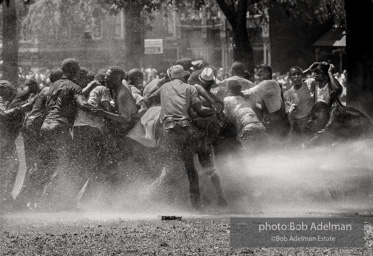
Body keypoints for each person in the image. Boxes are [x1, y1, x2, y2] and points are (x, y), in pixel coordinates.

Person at [148, 65, 215, 209]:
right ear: (184, 76)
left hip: (168, 131)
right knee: (190, 168)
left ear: (170, 76)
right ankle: (197, 204)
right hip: (185, 129)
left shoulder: (164, 87)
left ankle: (158, 201)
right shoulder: (190, 88)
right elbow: (200, 111)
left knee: (167, 166)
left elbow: (147, 100)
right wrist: (214, 110)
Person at [38, 58, 95, 210]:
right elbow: (83, 104)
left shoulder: (52, 86)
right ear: (74, 71)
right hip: (60, 127)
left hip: (45, 126)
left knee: (52, 164)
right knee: (67, 165)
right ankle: (55, 202)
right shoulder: (74, 86)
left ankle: (43, 201)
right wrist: (100, 112)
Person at [189, 67, 228, 207]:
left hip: (192, 136)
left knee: (192, 168)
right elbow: (221, 118)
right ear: (211, 83)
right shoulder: (215, 100)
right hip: (206, 139)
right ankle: (220, 196)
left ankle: (202, 197)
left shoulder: (193, 93)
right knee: (209, 168)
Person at [244, 64, 289, 140]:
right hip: (276, 121)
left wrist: (234, 91)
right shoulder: (271, 84)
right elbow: (259, 104)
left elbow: (247, 93)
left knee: (276, 145)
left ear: (268, 73)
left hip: (276, 122)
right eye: (258, 73)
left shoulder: (268, 83)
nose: (258, 75)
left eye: (261, 73)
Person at [223, 80, 267, 151]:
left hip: (248, 128)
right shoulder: (245, 98)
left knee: (249, 157)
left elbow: (225, 116)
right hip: (260, 126)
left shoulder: (227, 100)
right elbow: (258, 106)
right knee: (263, 154)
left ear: (229, 91)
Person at [303, 62, 343, 133]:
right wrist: (309, 70)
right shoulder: (313, 83)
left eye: (318, 72)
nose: (315, 74)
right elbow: (296, 82)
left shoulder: (331, 85)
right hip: (315, 118)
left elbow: (338, 89)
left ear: (326, 75)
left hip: (330, 118)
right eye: (315, 72)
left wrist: (330, 73)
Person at [283, 66, 315, 142]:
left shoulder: (309, 84)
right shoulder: (287, 94)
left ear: (302, 75)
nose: (296, 77)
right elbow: (288, 114)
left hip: (311, 120)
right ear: (290, 78)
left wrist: (307, 70)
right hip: (298, 123)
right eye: (293, 75)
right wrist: (291, 110)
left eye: (298, 74)